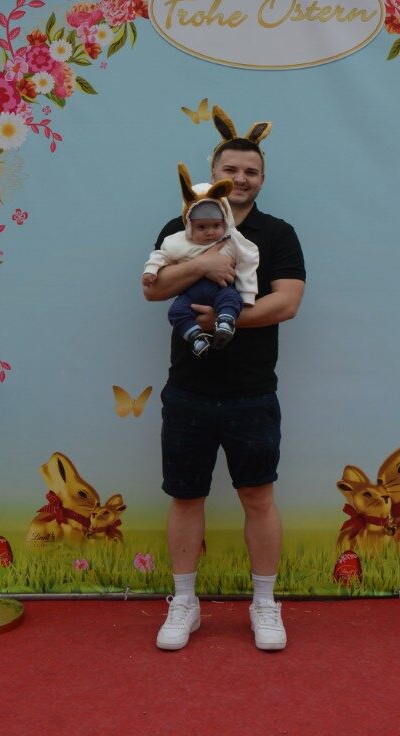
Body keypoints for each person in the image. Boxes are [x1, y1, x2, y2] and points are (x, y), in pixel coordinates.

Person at [142, 109, 305, 652]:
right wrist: (203, 266)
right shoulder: (178, 227)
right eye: (230, 169)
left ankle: (265, 604)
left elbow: (287, 303)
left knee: (258, 496)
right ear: (212, 174)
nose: (240, 178)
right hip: (187, 389)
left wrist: (223, 320)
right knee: (186, 497)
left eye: (251, 171)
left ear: (263, 178)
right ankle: (184, 603)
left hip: (252, 391)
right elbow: (153, 288)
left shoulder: (277, 234)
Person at [142, 164, 260, 357]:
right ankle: (196, 337)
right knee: (175, 312)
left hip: (221, 290)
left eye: (216, 225)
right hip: (190, 297)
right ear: (189, 226)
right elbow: (160, 256)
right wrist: (151, 271)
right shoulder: (177, 241)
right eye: (202, 227)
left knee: (232, 299)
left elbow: (248, 260)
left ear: (225, 221)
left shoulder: (231, 240)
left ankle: (225, 323)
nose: (210, 232)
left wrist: (247, 294)